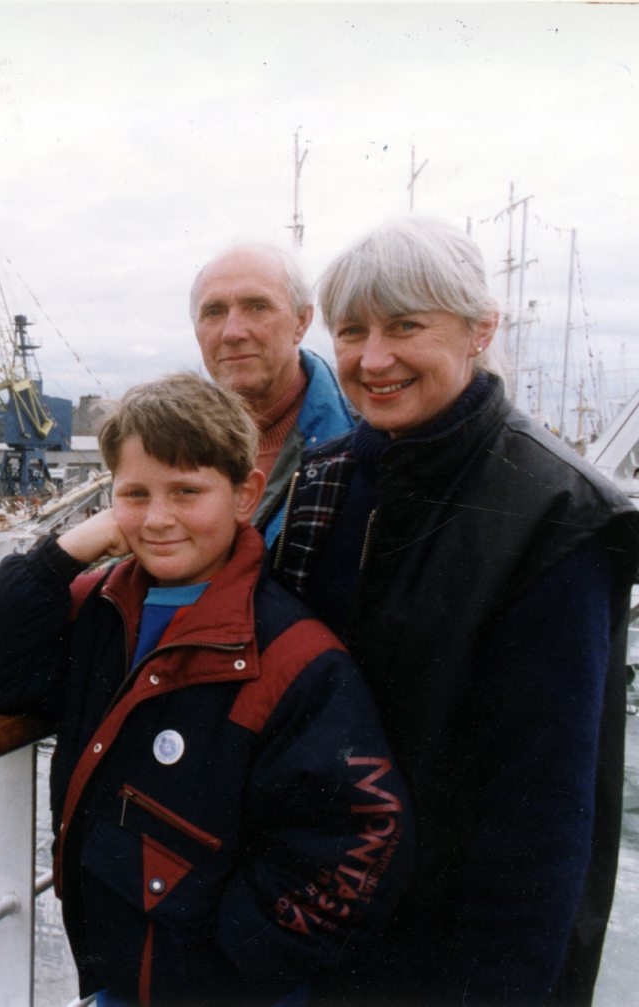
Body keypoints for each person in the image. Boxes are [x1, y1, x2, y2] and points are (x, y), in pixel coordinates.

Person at [0, 373, 412, 1005]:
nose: (159, 519)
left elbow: (363, 838)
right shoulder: (101, 607)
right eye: (135, 494)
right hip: (122, 971)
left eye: (187, 492)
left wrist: (229, 963)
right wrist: (67, 552)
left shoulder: (292, 656)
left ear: (246, 494)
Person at [271, 216, 639, 1005]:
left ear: (480, 331)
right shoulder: (331, 478)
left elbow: (545, 818)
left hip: (456, 958)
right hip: (322, 930)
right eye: (353, 330)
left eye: (407, 325)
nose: (374, 359)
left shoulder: (558, 511)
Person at [191, 244, 353, 542]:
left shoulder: (365, 442)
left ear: (301, 321)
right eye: (214, 312)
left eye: (257, 307)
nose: (232, 332)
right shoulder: (172, 443)